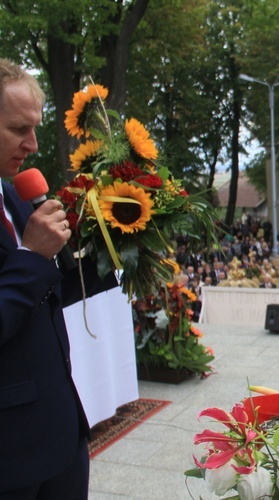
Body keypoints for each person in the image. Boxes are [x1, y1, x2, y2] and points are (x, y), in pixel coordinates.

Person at [0, 59, 116, 497]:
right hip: (12, 456)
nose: (32, 144)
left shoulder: (13, 193)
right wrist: (31, 253)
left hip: (61, 435)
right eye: (17, 129)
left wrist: (115, 254)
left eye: (35, 128)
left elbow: (41, 295)